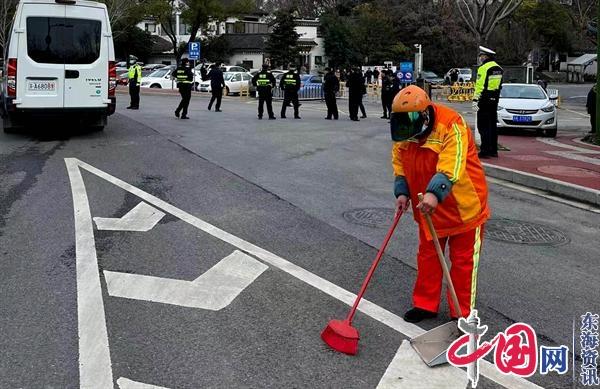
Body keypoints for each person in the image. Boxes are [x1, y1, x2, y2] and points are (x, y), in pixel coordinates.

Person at [390, 85, 489, 323]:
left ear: (424, 116)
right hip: (427, 209)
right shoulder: (405, 131)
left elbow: (451, 164)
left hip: (463, 208)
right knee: (428, 256)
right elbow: (399, 161)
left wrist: (435, 193)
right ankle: (425, 304)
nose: (409, 139)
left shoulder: (451, 124)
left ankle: (462, 313)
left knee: (464, 262)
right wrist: (402, 191)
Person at [473, 46, 503, 158]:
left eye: (481, 56)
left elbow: (480, 86)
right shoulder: (499, 68)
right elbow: (499, 86)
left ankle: (484, 151)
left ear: (485, 56)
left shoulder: (483, 68)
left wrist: (475, 100)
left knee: (483, 126)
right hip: (494, 99)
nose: (480, 58)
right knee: (492, 126)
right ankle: (493, 150)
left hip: (484, 99)